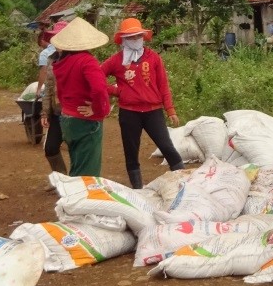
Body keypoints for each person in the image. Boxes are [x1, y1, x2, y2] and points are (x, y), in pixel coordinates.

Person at [100, 17, 186, 188]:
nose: (135, 40)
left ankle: (184, 184)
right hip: (129, 112)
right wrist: (116, 91)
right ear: (123, 40)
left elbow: (163, 85)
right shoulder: (116, 60)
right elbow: (97, 77)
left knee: (167, 147)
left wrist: (170, 109)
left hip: (153, 111)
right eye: (131, 37)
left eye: (138, 36)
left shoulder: (153, 57)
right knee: (131, 154)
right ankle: (138, 190)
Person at [48, 16, 113, 178]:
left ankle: (72, 196)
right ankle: (77, 201)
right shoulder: (87, 61)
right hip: (86, 121)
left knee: (77, 164)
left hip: (68, 118)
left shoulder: (61, 63)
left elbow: (60, 92)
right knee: (87, 172)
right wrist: (98, 108)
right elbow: (99, 89)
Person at [38, 21, 69, 177]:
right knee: (50, 148)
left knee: (75, 149)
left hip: (73, 113)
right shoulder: (52, 59)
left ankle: (78, 182)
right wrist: (45, 113)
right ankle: (62, 176)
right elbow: (48, 88)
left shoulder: (77, 59)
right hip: (57, 112)